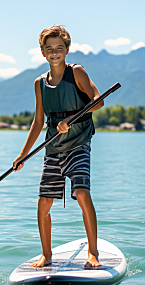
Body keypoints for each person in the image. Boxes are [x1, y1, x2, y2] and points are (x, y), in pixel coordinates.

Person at [12, 25, 104, 268]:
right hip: (53, 148)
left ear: (67, 50)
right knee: (44, 202)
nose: (55, 52)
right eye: (49, 48)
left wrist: (71, 120)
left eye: (59, 48)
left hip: (79, 143)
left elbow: (98, 101)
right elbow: (38, 121)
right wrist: (23, 155)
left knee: (83, 193)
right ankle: (46, 255)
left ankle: (92, 253)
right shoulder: (39, 83)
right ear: (42, 52)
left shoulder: (77, 73)